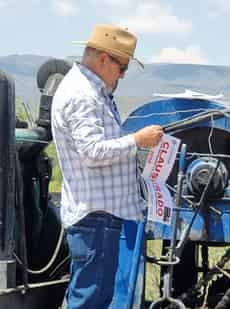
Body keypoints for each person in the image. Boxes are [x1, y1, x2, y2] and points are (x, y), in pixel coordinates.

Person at [51, 24, 163, 308]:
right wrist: (137, 140)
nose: (123, 75)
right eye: (122, 66)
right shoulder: (83, 96)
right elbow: (91, 151)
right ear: (103, 59)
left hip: (99, 216)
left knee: (95, 297)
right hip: (95, 217)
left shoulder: (93, 91)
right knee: (89, 300)